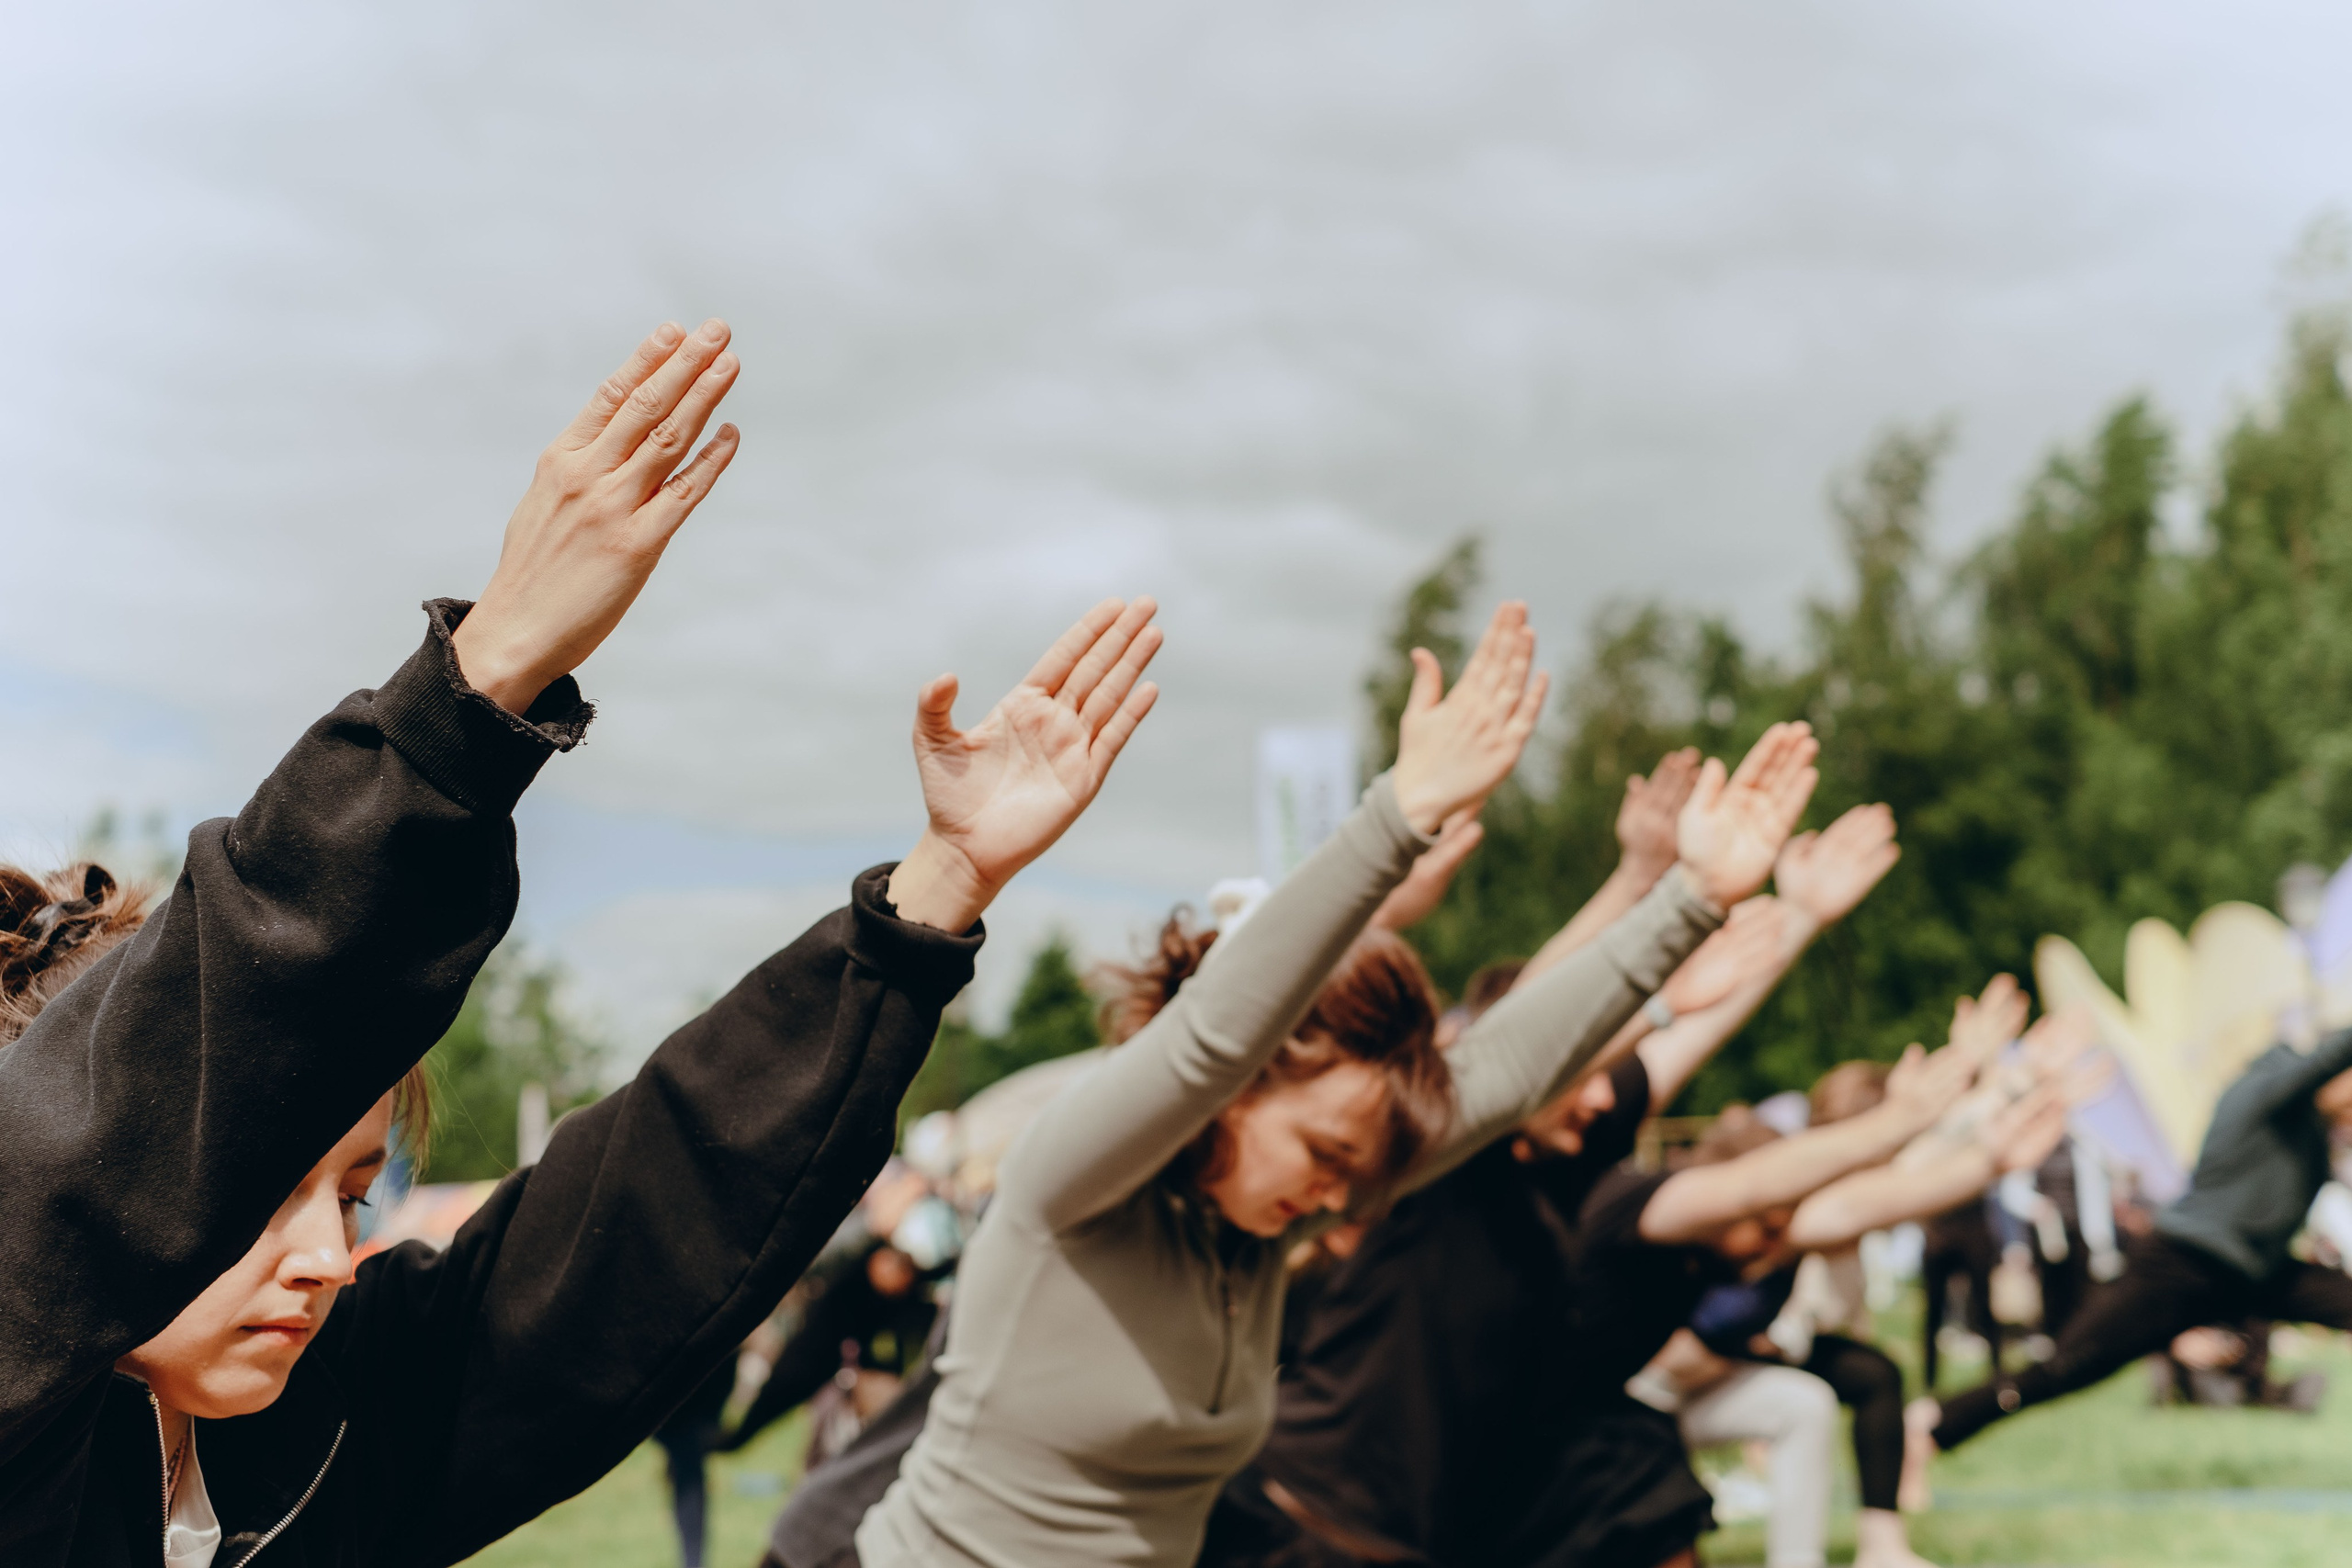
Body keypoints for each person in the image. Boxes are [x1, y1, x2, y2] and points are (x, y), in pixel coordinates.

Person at [1, 319, 1169, 1568]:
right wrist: (478, 683)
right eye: (259, 1187)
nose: (332, 1259)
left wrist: (933, 895)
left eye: (350, 1192)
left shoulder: (331, 1420)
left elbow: (641, 1219)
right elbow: (227, 1021)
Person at [850, 604, 1822, 1568]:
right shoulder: (1070, 1181)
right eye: (1323, 1154)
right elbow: (1211, 1038)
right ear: (1242, 1087)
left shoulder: (1252, 1237)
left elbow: (1504, 1078)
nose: (1336, 1193)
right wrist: (1397, 816)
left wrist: (1691, 900)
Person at [1911, 1022, 2352, 1461]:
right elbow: (2329, 1057)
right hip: (2182, 1264)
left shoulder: (2313, 1129)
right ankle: (1933, 1426)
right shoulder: (2265, 1089)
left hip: (2255, 1271)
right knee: (2069, 1366)